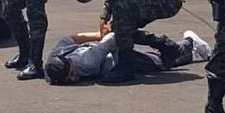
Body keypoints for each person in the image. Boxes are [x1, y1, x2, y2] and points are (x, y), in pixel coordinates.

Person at [44, 29, 211, 85]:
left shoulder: (87, 62)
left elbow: (112, 39)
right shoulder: (53, 64)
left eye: (72, 73)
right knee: (155, 60)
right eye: (69, 79)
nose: (75, 78)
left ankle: (190, 43)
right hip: (105, 53)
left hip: (112, 57)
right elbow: (70, 39)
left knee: (159, 62)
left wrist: (102, 35)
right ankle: (191, 49)